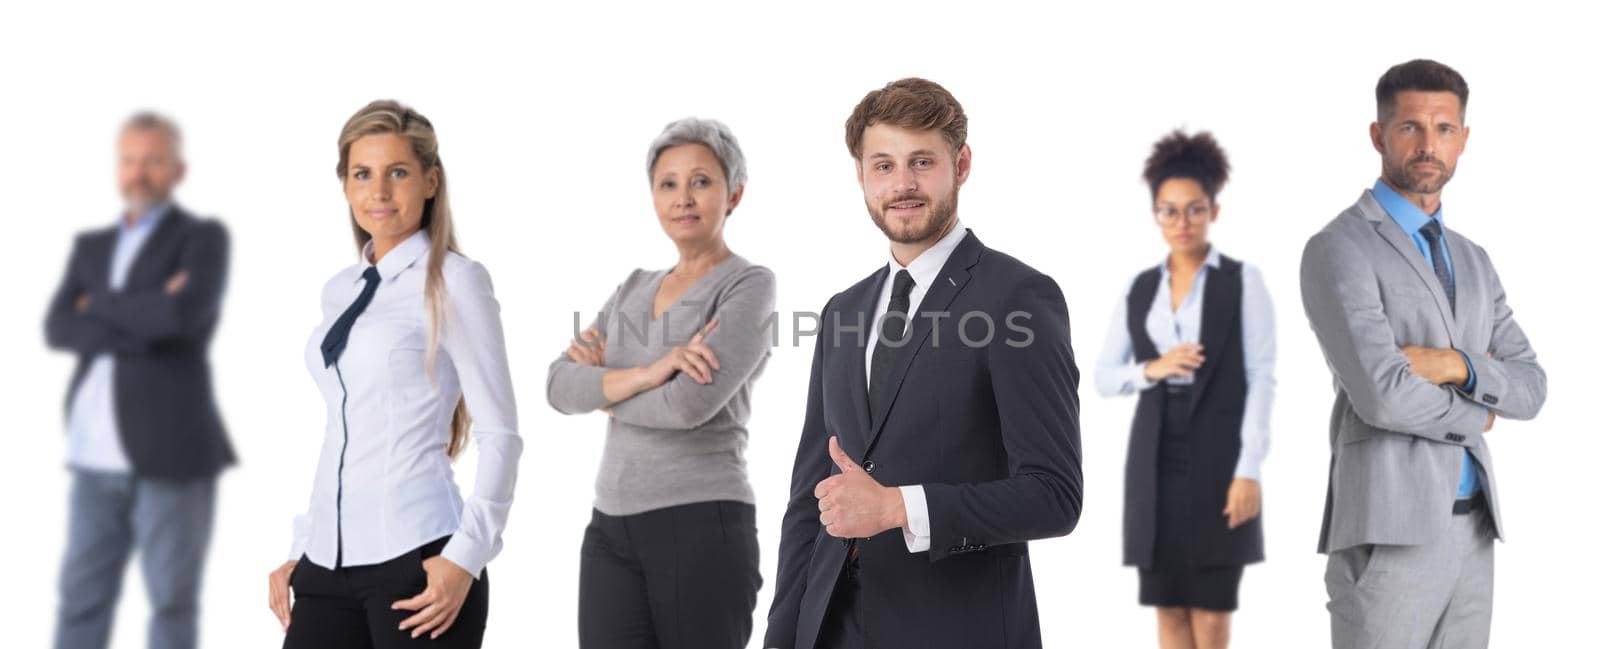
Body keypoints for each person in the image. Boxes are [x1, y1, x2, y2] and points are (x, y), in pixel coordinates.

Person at [763, 78, 1083, 649]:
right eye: (883, 165)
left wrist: (897, 507)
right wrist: (782, 636)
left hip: (958, 628)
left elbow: (1054, 495)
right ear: (861, 175)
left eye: (922, 162)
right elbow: (808, 500)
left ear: (961, 164)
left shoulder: (1018, 299)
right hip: (831, 626)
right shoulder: (844, 311)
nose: (903, 184)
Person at [1299, 59, 1546, 649]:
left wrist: (1455, 365)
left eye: (1444, 128)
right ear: (1378, 135)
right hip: (1389, 533)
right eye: (1411, 127)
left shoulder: (1474, 259)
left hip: (1475, 530)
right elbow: (1383, 395)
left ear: (1463, 139)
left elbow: (1532, 386)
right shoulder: (1340, 249)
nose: (1428, 144)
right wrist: (1480, 413)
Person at [266, 100, 522, 649]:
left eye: (397, 173)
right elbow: (346, 426)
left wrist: (466, 557)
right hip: (328, 564)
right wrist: (305, 542)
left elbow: (502, 435)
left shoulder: (456, 281)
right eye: (363, 174)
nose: (378, 192)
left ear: (431, 181)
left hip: (417, 560)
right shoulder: (342, 290)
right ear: (345, 185)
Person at [546, 117, 772, 649]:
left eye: (702, 181)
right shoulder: (633, 287)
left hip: (700, 523)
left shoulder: (747, 284)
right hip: (610, 528)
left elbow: (687, 405)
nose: (683, 197)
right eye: (668, 183)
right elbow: (558, 386)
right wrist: (651, 371)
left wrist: (605, 389)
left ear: (733, 193)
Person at [45, 111, 234, 649]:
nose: (139, 173)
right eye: (129, 160)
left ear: (178, 169)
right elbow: (59, 327)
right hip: (91, 456)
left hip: (171, 456)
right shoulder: (91, 246)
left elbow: (182, 319)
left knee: (171, 603)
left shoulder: (202, 238)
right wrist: (144, 312)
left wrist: (97, 308)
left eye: (153, 160)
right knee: (81, 600)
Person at [1096, 130, 1274, 649]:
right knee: (1169, 609)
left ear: (1214, 211)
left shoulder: (1243, 282)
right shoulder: (1140, 288)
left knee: (1213, 615)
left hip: (1221, 458)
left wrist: (1248, 471)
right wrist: (1153, 368)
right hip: (1154, 456)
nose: (1182, 223)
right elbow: (1106, 375)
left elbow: (1262, 376)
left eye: (1194, 210)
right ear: (1155, 213)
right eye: (1169, 211)